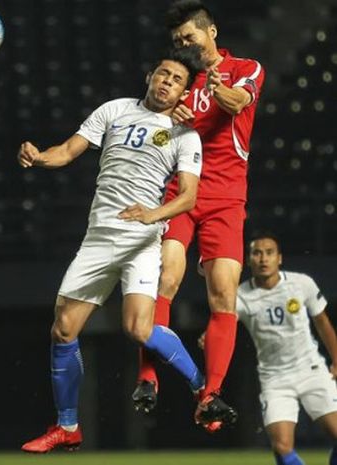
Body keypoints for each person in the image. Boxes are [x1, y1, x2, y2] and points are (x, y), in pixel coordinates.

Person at [18, 46, 213, 453]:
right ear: (149, 76)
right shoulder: (114, 110)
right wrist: (39, 158)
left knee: (138, 329)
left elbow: (190, 197)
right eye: (163, 74)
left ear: (183, 93)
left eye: (176, 80)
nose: (166, 82)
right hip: (99, 238)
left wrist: (152, 214)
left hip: (142, 241)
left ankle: (202, 387)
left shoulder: (185, 134)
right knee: (64, 329)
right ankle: (68, 426)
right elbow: (68, 150)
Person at [133, 0, 265, 432]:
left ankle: (210, 395)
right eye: (177, 42)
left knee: (223, 294)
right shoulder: (177, 79)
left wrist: (210, 79)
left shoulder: (246, 67)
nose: (183, 45)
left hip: (227, 197)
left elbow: (235, 103)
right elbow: (150, 132)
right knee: (166, 279)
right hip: (182, 191)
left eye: (189, 38)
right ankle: (148, 379)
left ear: (211, 32)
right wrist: (169, 115)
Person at [200, 233, 337, 465]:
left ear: (279, 258)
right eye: (257, 253)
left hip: (311, 369)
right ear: (249, 260)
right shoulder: (240, 296)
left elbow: (322, 322)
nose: (263, 258)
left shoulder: (301, 283)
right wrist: (210, 338)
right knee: (281, 447)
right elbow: (223, 325)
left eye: (269, 252)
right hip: (275, 378)